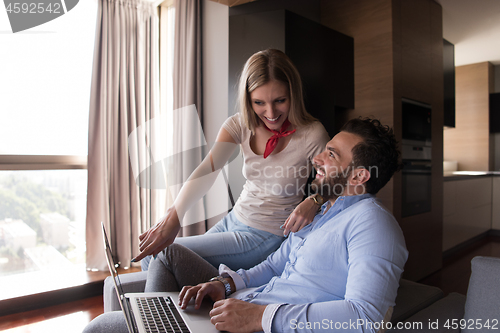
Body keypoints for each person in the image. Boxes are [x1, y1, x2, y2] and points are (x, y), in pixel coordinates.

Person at [84, 117, 408, 333]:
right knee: (140, 306)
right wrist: (224, 285)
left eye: (332, 155)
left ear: (359, 176)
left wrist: (258, 317)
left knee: (100, 328)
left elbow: (366, 317)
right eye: (324, 151)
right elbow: (271, 266)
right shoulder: (321, 213)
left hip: (257, 324)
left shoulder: (374, 226)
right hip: (243, 307)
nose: (318, 160)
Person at [134, 49, 330, 271]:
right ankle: (159, 305)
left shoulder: (312, 134)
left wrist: (314, 201)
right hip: (233, 219)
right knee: (157, 252)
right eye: (259, 102)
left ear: (293, 94)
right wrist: (173, 216)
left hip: (266, 234)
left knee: (160, 256)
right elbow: (207, 171)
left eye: (280, 100)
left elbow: (338, 182)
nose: (271, 112)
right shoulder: (239, 125)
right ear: (248, 99)